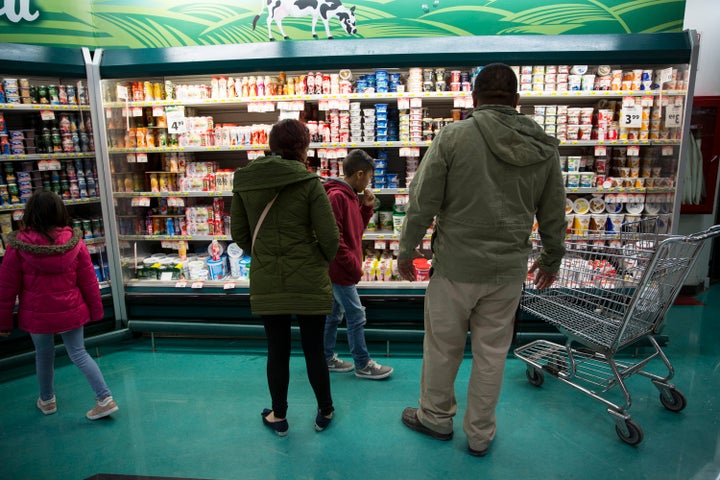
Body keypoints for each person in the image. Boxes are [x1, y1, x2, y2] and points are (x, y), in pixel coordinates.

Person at [397, 63, 566, 456]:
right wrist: (551, 258)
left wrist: (408, 249)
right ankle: (480, 435)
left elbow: (423, 202)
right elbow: (554, 210)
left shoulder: (454, 136)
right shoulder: (542, 145)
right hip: (507, 271)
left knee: (443, 348)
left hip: (456, 267)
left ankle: (435, 420)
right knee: (491, 356)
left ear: (473, 99)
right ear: (517, 100)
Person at [230, 119, 340, 436]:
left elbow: (238, 233)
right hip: (309, 279)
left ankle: (279, 416)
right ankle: (326, 411)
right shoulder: (309, 183)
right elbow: (330, 239)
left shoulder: (246, 182)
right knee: (314, 349)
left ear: (271, 144)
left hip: (268, 280)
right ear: (303, 147)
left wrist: (263, 253)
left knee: (277, 350)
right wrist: (314, 258)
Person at [0, 189, 118, 420]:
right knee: (79, 353)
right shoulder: (75, 242)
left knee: (43, 355)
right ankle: (104, 399)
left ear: (29, 213)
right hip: (70, 310)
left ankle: (47, 400)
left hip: (37, 314)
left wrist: (3, 322)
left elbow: (6, 289)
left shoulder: (18, 246)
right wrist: (96, 311)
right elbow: (88, 281)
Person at [323, 149, 393, 380]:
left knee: (334, 315)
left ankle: (326, 357)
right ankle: (363, 364)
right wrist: (352, 265)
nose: (370, 181)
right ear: (360, 174)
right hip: (340, 269)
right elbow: (335, 240)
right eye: (370, 177)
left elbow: (355, 231)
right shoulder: (338, 197)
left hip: (340, 268)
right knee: (356, 315)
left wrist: (366, 208)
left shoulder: (350, 195)